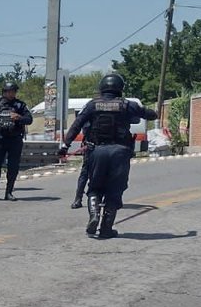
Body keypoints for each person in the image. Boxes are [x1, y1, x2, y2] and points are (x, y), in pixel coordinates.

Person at [58, 73, 157, 239]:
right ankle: (106, 228)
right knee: (115, 189)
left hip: (96, 151)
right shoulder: (127, 105)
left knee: (95, 187)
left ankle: (94, 215)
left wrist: (65, 145)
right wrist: (154, 112)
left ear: (102, 87)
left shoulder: (92, 105)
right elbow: (149, 114)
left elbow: (76, 125)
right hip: (120, 152)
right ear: (120, 88)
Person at [0, 81, 33, 200]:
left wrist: (19, 117)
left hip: (15, 140)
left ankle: (9, 192)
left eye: (12, 91)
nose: (10, 93)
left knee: (13, 167)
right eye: (8, 91)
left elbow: (29, 119)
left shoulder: (20, 105)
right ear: (4, 92)